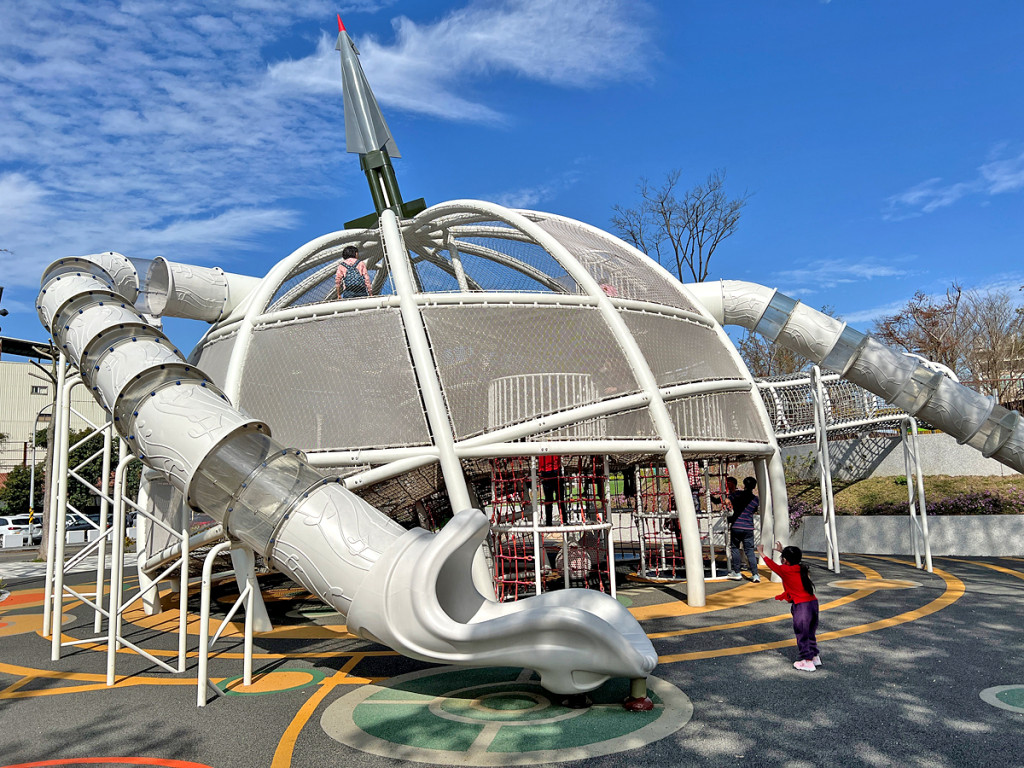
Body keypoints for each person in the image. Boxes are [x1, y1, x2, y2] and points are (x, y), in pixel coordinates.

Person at [757, 541, 820, 671]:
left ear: (785, 560)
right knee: (810, 632)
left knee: (801, 633)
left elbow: (772, 565)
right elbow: (792, 560)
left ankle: (807, 661)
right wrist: (782, 552)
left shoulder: (785, 570)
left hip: (801, 606)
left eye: (783, 559)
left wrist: (761, 553)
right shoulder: (801, 568)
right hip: (813, 603)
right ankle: (814, 657)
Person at [712, 476, 760, 582]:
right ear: (754, 486)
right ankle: (755, 574)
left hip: (737, 525)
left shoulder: (737, 494)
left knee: (734, 548)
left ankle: (737, 572)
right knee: (750, 551)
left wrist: (728, 503)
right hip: (748, 527)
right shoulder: (755, 499)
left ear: (744, 485)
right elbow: (754, 510)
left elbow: (726, 500)